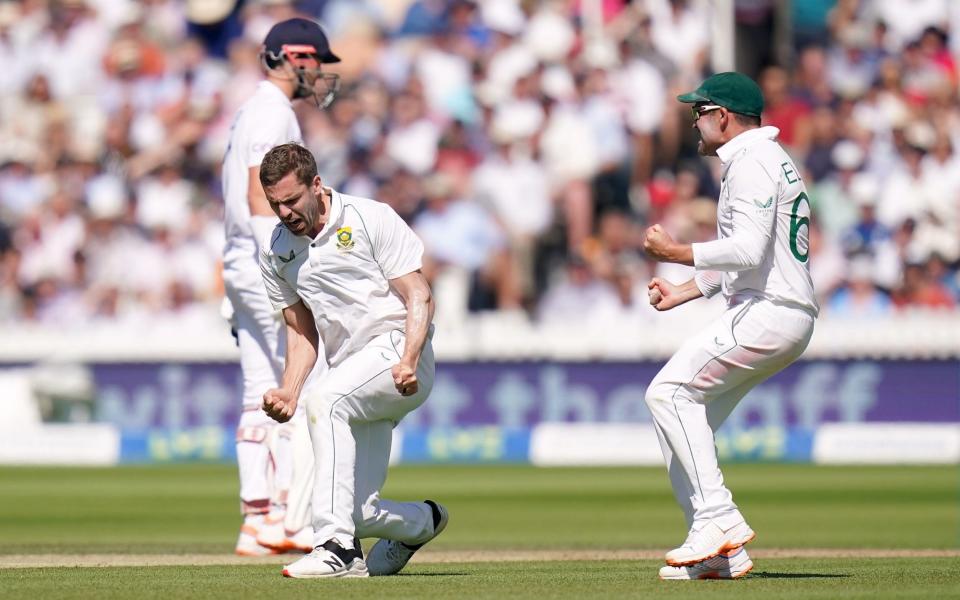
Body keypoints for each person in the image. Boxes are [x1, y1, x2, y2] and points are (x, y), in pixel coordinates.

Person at [641, 72, 819, 580]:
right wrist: (686, 289)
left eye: (699, 111)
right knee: (681, 432)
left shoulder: (754, 161)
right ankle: (720, 553)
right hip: (773, 309)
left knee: (668, 393)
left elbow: (748, 249)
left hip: (770, 309)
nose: (693, 121)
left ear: (723, 116)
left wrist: (676, 252)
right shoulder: (759, 160)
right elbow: (745, 257)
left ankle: (718, 520)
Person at [257, 143, 448, 578]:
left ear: (316, 185)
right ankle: (423, 521)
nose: (284, 212)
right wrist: (289, 388)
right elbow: (300, 328)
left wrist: (409, 357)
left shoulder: (369, 217)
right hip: (350, 374)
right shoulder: (277, 250)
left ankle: (336, 549)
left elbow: (418, 294)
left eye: (291, 200)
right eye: (274, 204)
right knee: (358, 510)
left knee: (325, 402)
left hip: (398, 352)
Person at [221, 17, 341, 556]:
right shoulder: (273, 112)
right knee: (300, 379)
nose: (320, 71)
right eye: (315, 59)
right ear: (292, 56)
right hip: (262, 263)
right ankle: (294, 518)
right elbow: (257, 194)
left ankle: (258, 519)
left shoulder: (253, 108)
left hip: (240, 263)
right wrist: (288, 264)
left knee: (258, 390)